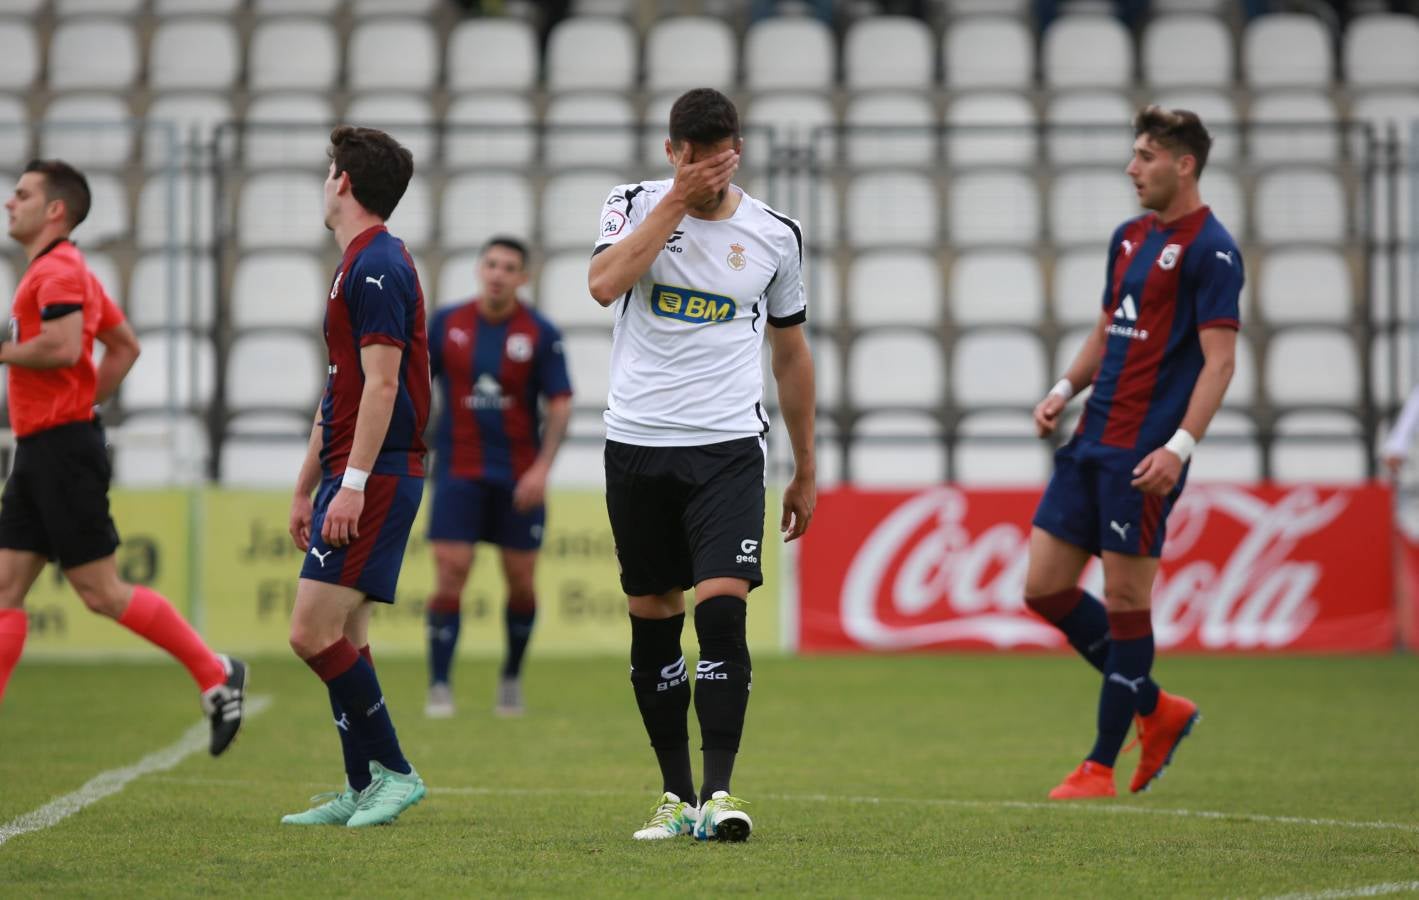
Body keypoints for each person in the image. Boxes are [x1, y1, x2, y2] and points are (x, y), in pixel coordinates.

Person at [587, 87, 817, 842]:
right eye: (693, 157)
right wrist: (674, 206)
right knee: (654, 621)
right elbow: (602, 285)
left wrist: (806, 466)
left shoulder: (776, 235)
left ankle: (719, 794)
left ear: (736, 151)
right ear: (671, 153)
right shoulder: (630, 203)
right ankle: (674, 797)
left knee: (721, 610)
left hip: (725, 448)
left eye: (720, 155)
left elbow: (789, 354)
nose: (707, 170)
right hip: (637, 445)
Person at [1026, 106, 1241, 800]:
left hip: (1142, 456)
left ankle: (1097, 765)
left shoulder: (1212, 251)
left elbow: (1219, 363)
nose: (1131, 167)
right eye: (1133, 153)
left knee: (1124, 600)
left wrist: (1179, 448)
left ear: (1183, 164)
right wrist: (1063, 388)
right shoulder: (1127, 238)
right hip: (1089, 440)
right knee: (1044, 589)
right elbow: (1107, 330)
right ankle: (1156, 708)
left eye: (1145, 155)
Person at [0, 159, 247, 751]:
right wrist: (80, 402)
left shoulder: (57, 270)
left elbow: (62, 347)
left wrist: (11, 357)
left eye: (23, 193)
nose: (11, 202)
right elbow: (124, 346)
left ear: (55, 209)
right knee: (5, 590)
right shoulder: (66, 269)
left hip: (60, 449)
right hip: (44, 446)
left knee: (101, 592)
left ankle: (216, 672)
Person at [281, 126, 430, 828]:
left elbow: (380, 386)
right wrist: (307, 480)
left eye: (327, 171)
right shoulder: (357, 263)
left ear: (342, 181)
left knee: (310, 633)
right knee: (349, 633)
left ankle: (395, 771)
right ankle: (364, 783)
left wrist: (353, 484)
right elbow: (338, 388)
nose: (324, 182)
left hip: (378, 472)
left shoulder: (377, 267)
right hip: (351, 467)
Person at [423, 236, 573, 719]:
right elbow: (414, 383)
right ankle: (440, 684)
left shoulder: (540, 332)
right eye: (491, 264)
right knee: (450, 575)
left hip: (517, 477)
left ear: (522, 278)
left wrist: (542, 469)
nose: (497, 274)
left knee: (522, 583)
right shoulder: (447, 324)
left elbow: (561, 401)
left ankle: (510, 677)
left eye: (509, 267)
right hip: (458, 471)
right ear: (478, 269)